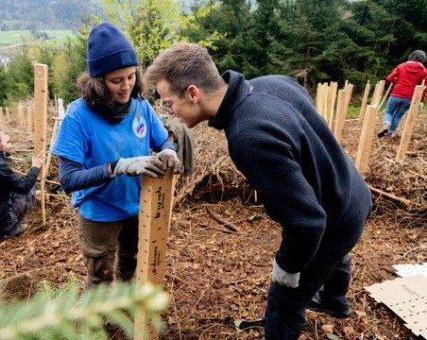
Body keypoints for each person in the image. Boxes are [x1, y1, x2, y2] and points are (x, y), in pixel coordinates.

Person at [145, 42, 372, 339]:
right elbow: (301, 103)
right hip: (352, 192)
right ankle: (334, 301)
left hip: (336, 220)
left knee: (284, 300)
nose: (169, 111)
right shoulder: (270, 83)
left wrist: (286, 270)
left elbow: (308, 223)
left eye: (168, 103)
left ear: (192, 93)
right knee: (333, 253)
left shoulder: (248, 136)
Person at [51, 23, 180, 287]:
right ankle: (95, 325)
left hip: (136, 205)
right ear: (98, 82)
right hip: (99, 212)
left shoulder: (140, 106)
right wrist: (117, 167)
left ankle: (123, 313)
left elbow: (162, 139)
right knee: (100, 276)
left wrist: (169, 149)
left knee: (131, 264)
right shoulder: (78, 116)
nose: (126, 87)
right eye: (116, 81)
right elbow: (68, 180)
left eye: (131, 77)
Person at [0, 129, 44, 239]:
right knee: (30, 189)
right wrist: (35, 168)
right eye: (8, 142)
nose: (11, 146)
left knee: (12, 189)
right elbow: (24, 186)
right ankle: (10, 228)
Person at [377, 50, 427, 138]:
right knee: (398, 115)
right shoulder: (424, 71)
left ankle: (386, 126)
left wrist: (397, 80)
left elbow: (389, 78)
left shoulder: (402, 66)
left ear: (412, 56)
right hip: (409, 97)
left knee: (389, 112)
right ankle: (389, 133)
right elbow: (424, 86)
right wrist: (421, 100)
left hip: (396, 94)